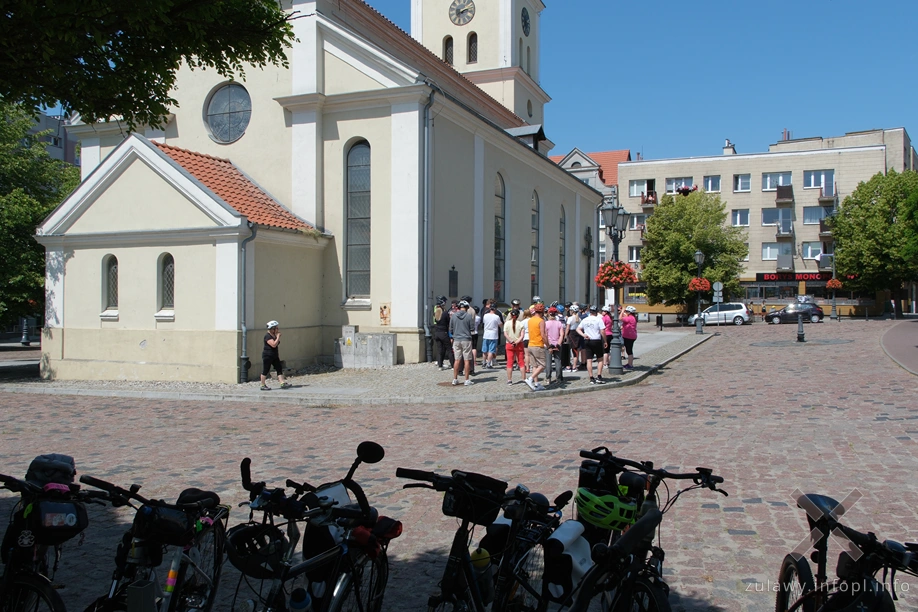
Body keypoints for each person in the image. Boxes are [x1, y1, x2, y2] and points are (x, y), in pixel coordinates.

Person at [577, 305, 607, 384]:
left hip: (587, 340)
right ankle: (599, 376)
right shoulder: (598, 320)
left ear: (590, 312)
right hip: (596, 340)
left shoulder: (585, 320)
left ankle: (591, 377)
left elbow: (578, 329)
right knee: (600, 359)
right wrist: (605, 341)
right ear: (596, 312)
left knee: (589, 360)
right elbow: (602, 331)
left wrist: (583, 335)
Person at [449, 300, 476, 386]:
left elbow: (450, 329)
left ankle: (455, 379)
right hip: (466, 339)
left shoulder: (453, 316)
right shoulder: (468, 316)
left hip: (456, 339)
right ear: (467, 307)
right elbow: (472, 329)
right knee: (467, 360)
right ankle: (466, 379)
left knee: (457, 360)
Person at [261, 321, 291, 390]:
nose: (277, 329)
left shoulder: (273, 335)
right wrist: (278, 337)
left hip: (274, 355)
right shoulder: (267, 336)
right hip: (267, 356)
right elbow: (273, 344)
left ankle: (282, 383)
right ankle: (262, 385)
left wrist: (276, 337)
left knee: (279, 368)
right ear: (272, 329)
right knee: (265, 370)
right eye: (276, 328)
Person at [525, 304, 547, 391]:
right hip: (538, 345)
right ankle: (530, 379)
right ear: (542, 311)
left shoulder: (530, 320)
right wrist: (548, 345)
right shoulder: (541, 321)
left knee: (534, 365)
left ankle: (536, 383)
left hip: (530, 344)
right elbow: (543, 335)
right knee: (542, 365)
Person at [503, 309, 526, 385]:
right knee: (521, 362)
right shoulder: (520, 324)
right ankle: (523, 379)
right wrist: (517, 342)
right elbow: (522, 336)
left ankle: (509, 380)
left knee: (509, 362)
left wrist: (511, 341)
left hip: (509, 344)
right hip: (519, 344)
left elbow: (505, 334)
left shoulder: (506, 323)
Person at [545, 306, 565, 384]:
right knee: (558, 361)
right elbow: (562, 335)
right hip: (557, 343)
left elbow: (545, 335)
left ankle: (548, 378)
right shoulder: (559, 323)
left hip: (548, 344)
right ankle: (559, 378)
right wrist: (558, 344)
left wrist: (549, 345)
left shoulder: (546, 323)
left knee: (548, 362)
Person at [433, 296, 454, 370]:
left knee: (440, 349)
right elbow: (449, 322)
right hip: (444, 333)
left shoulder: (436, 312)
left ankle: (440, 365)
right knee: (449, 349)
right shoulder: (445, 313)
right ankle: (453, 365)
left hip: (437, 333)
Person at [619, 305, 638, 370]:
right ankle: (630, 363)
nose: (625, 312)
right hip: (631, 335)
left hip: (629, 336)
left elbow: (620, 318)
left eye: (626, 311)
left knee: (629, 350)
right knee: (629, 350)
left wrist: (622, 311)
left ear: (629, 312)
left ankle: (630, 364)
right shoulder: (632, 317)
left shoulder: (630, 318)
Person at [566, 305, 582, 371]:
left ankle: (569, 366)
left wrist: (565, 335)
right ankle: (574, 366)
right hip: (577, 334)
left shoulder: (570, 318)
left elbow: (567, 328)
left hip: (571, 334)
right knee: (575, 351)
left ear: (572, 311)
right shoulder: (579, 319)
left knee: (568, 350)